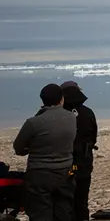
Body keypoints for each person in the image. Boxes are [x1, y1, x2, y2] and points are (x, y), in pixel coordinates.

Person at [13, 84, 77, 221]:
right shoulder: (71, 118)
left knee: (40, 213)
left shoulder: (33, 122)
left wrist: (31, 149)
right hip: (65, 171)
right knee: (63, 211)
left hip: (39, 173)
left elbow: (18, 147)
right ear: (62, 99)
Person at [60, 81, 98, 221]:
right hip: (84, 161)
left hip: (62, 163)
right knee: (81, 201)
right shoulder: (87, 113)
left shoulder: (58, 115)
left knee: (63, 203)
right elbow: (93, 136)